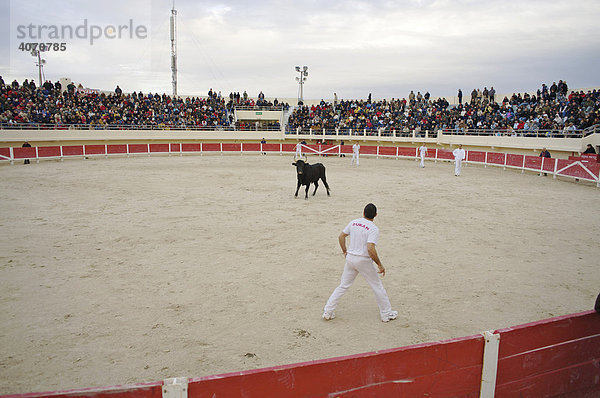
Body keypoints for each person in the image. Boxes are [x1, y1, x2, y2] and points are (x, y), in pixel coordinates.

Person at [323, 203, 398, 323]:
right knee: (377, 286)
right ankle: (386, 313)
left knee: (343, 285)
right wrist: (379, 264)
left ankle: (328, 311)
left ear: (363, 213)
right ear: (376, 215)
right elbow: (370, 248)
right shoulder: (373, 228)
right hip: (363, 260)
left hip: (350, 258)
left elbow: (341, 236)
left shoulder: (354, 222)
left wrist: (344, 251)